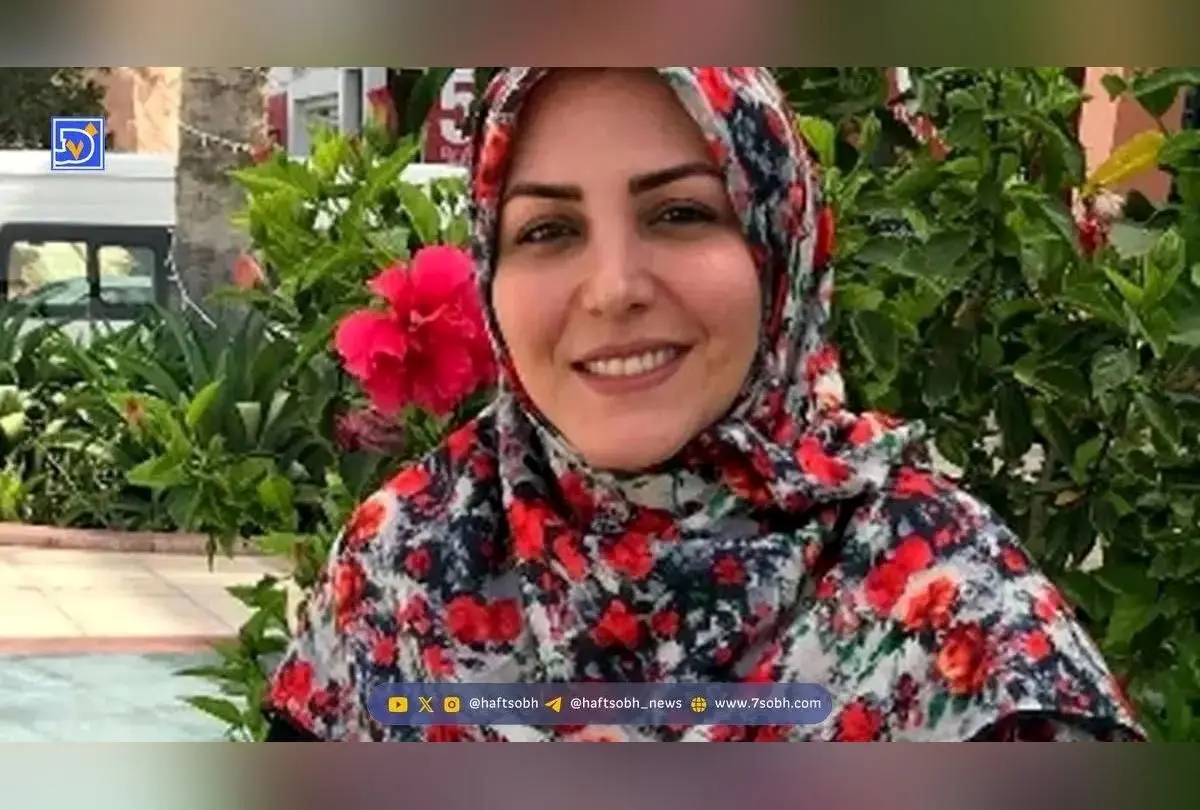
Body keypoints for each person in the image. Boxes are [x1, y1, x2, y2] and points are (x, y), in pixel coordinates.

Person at [263, 67, 1144, 742]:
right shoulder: (405, 562)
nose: (612, 288)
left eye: (680, 213)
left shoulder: (954, 608)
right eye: (548, 230)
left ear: (779, 242)